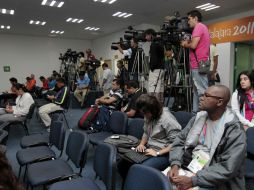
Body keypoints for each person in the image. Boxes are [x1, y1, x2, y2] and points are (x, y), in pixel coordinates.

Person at [167, 85, 246, 190]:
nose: (201, 97)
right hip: (190, 167)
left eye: (206, 95)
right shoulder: (198, 118)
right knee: (160, 182)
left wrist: (193, 180)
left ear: (219, 102)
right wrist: (175, 164)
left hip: (214, 178)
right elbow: (180, 141)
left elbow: (228, 167)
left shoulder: (234, 130)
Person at [118, 94, 181, 178]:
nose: (144, 115)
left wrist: (157, 153)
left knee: (141, 169)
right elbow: (146, 133)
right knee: (123, 163)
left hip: (164, 154)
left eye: (145, 113)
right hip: (149, 149)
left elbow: (177, 143)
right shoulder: (148, 115)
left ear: (153, 110)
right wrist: (141, 144)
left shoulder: (167, 119)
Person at [181, 10, 210, 113]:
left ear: (195, 18)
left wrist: (185, 44)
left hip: (198, 64)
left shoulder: (198, 27)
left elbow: (193, 45)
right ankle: (195, 114)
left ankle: (203, 115)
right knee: (197, 91)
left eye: (189, 19)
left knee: (201, 91)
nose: (188, 22)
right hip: (201, 63)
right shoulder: (203, 27)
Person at [144, 28, 165, 104]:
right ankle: (160, 106)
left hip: (155, 70)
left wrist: (151, 68)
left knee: (153, 88)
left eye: (146, 36)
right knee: (160, 88)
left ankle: (154, 106)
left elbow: (154, 58)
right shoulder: (160, 43)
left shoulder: (153, 44)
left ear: (150, 35)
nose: (145, 38)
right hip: (161, 69)